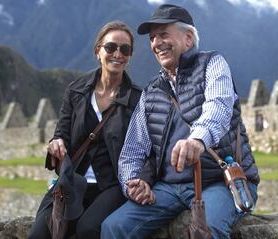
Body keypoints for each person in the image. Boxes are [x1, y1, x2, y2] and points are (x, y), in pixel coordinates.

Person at [102, 4, 260, 239]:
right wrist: (133, 182)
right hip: (168, 188)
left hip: (218, 181)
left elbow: (218, 107)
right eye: (153, 38)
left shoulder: (213, 65)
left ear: (188, 38)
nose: (156, 43)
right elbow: (133, 150)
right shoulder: (151, 92)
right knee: (113, 227)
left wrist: (197, 140)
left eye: (163, 34)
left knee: (208, 229)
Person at [28, 20, 142, 239]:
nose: (117, 54)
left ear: (130, 55)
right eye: (111, 47)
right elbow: (61, 132)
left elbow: (144, 147)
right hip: (73, 180)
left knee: (87, 230)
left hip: (111, 184)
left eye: (125, 49)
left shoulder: (138, 99)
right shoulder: (76, 91)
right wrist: (57, 143)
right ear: (98, 51)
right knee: (40, 233)